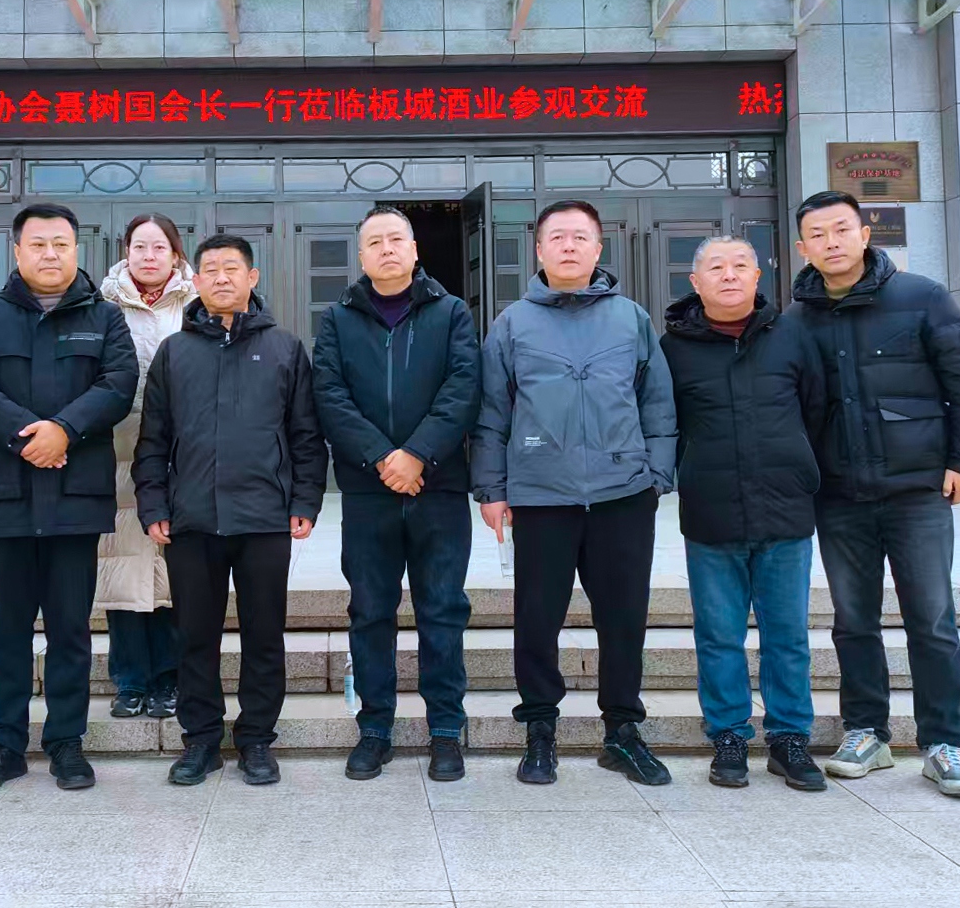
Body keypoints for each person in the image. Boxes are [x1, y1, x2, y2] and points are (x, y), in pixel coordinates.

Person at [788, 190, 960, 799]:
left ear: (863, 234)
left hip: (916, 488)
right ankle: (866, 732)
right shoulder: (797, 319)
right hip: (839, 494)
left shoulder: (921, 296)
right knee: (853, 621)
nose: (830, 241)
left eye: (841, 229)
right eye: (817, 234)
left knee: (931, 619)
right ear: (802, 248)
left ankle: (943, 742)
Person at [470, 200, 677, 787]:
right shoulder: (512, 323)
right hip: (542, 496)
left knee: (624, 618)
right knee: (537, 619)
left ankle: (622, 732)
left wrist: (656, 475)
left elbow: (658, 403)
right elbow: (491, 412)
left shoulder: (630, 318)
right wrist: (491, 488)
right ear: (538, 250)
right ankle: (540, 729)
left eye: (579, 237)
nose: (568, 245)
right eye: (556, 237)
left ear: (598, 248)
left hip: (622, 494)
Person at [0, 203, 138, 794]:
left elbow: (118, 384)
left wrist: (64, 430)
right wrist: (29, 436)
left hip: (75, 498)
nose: (50, 254)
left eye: (60, 243)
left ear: (77, 249)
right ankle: (2, 745)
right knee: (5, 629)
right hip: (2, 497)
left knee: (70, 629)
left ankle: (66, 743)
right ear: (17, 251)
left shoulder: (104, 317)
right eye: (38, 244)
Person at [134, 233, 328, 787]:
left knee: (264, 634)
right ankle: (200, 740)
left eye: (232, 268)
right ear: (195, 281)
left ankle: (257, 739)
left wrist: (305, 500)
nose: (221, 278)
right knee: (195, 635)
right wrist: (154, 503)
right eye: (211, 269)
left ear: (252, 277)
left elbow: (306, 434)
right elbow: (153, 438)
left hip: (264, 517)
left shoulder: (284, 347)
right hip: (191, 518)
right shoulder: (175, 352)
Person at [312, 207, 482, 782]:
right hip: (368, 491)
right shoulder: (338, 320)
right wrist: (384, 458)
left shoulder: (451, 312)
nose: (386, 249)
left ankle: (446, 732)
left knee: (443, 610)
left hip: (439, 487)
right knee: (370, 612)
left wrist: (418, 454)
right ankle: (375, 730)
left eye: (395, 240)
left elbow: (463, 387)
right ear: (361, 256)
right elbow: (330, 395)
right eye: (374, 242)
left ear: (414, 250)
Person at [660, 237, 826, 792]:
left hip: (786, 508)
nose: (728, 275)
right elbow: (665, 423)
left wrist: (804, 471)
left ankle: (789, 739)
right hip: (711, 511)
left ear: (758, 276)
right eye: (716, 267)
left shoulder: (793, 336)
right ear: (695, 281)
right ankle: (728, 736)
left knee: (788, 636)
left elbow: (817, 411)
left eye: (740, 266)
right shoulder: (673, 347)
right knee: (718, 635)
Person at [96, 214, 194, 719]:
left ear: (176, 254)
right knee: (123, 568)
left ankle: (170, 678)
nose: (149, 256)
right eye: (139, 246)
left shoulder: (197, 303)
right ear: (126, 252)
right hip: (117, 454)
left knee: (174, 571)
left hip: (182, 456)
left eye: (159, 247)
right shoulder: (102, 305)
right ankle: (130, 680)